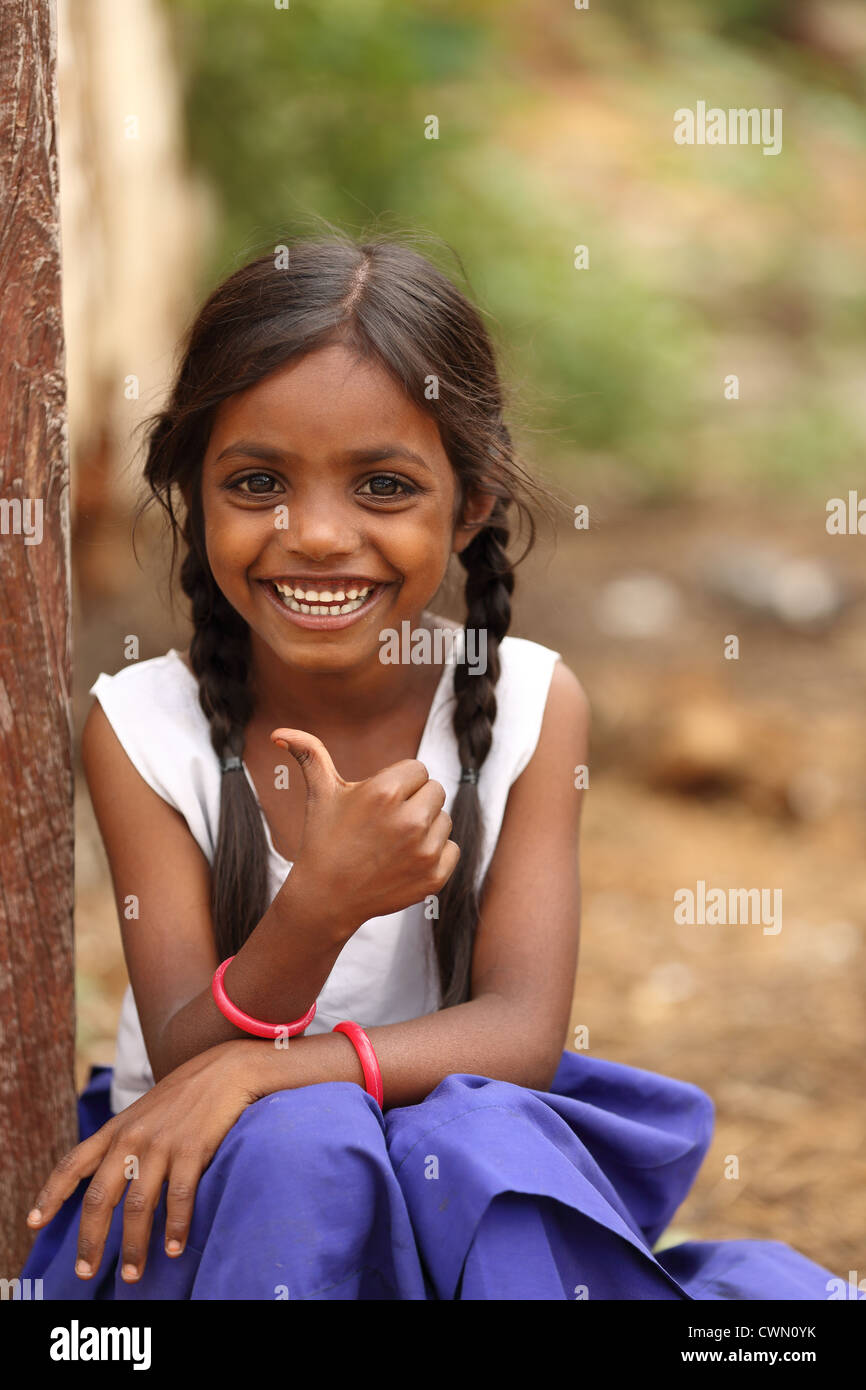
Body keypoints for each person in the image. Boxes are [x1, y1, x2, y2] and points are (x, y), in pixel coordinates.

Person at [21, 234, 850, 1300]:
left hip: (448, 1177)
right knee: (301, 1141)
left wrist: (268, 1063)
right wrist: (313, 911)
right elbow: (190, 1056)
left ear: (469, 503)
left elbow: (519, 1030)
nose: (315, 533)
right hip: (230, 1197)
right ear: (190, 489)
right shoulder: (144, 724)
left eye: (380, 484)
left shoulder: (528, 709)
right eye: (258, 480)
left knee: (473, 1129)